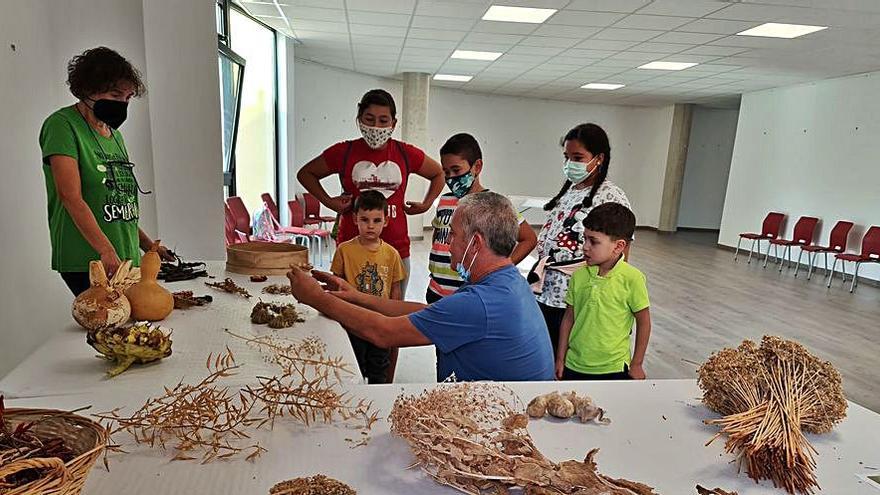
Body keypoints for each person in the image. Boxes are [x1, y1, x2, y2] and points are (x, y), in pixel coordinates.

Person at [287, 192, 554, 382]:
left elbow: (383, 333)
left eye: (454, 235)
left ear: (475, 244)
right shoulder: (508, 282)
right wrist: (356, 296)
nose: (447, 243)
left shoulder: (480, 302)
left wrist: (316, 298)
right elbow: (432, 313)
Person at [39, 47, 173, 296]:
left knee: (136, 329)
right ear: (87, 89)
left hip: (124, 258)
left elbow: (119, 205)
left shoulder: (115, 136)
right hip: (89, 260)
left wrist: (147, 246)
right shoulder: (62, 126)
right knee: (109, 330)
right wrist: (105, 250)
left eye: (128, 97)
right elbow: (70, 197)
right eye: (115, 94)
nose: (122, 104)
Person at [296, 89, 445, 297]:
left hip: (396, 250)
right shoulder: (343, 151)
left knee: (390, 315)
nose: (376, 127)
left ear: (394, 123)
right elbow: (306, 173)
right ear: (359, 119)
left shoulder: (405, 152)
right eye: (370, 119)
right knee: (346, 311)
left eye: (384, 120)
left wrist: (427, 204)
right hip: (351, 249)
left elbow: (438, 173)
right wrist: (329, 202)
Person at [535, 123, 631, 355]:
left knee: (572, 357)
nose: (570, 164)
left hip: (580, 297)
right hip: (549, 292)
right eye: (567, 157)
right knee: (549, 356)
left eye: (578, 157)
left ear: (598, 158)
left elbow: (621, 256)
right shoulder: (570, 191)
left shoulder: (610, 196)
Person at [426, 133, 537, 303]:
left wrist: (497, 271)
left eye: (456, 170)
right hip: (436, 289)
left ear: (477, 166)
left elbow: (528, 238)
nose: (450, 178)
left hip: (467, 295)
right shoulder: (444, 200)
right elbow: (439, 234)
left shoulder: (493, 204)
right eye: (446, 172)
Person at [555, 203, 651, 381]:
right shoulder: (578, 276)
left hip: (613, 368)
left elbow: (644, 322)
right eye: (585, 239)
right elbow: (568, 318)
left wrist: (636, 364)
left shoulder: (633, 279)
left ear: (618, 246)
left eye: (594, 241)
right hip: (574, 365)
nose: (585, 247)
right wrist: (560, 358)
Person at [330, 190, 406, 384]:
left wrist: (393, 320)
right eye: (365, 219)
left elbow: (395, 289)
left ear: (386, 221)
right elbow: (335, 282)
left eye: (376, 220)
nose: (370, 226)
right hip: (353, 321)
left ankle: (377, 405)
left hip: (380, 323)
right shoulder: (344, 250)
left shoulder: (392, 254)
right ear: (355, 219)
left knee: (379, 368)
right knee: (353, 366)